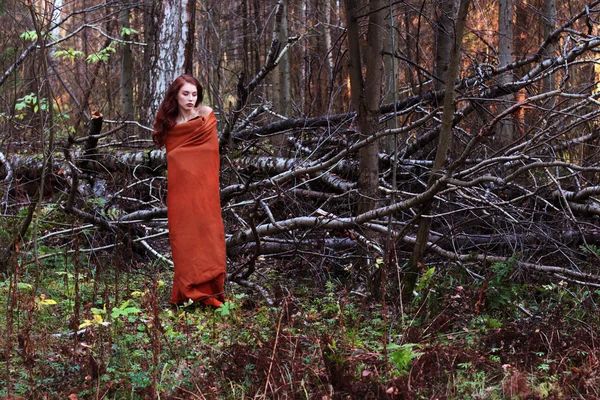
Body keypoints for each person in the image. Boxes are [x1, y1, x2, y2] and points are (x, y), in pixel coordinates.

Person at [153, 74, 226, 307]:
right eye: (185, 93)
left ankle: (209, 291)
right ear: (175, 94)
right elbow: (175, 158)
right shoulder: (170, 125)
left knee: (209, 236)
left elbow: (212, 153)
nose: (190, 99)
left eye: (194, 94)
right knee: (183, 239)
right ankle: (187, 292)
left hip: (205, 190)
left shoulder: (206, 116)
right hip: (181, 192)